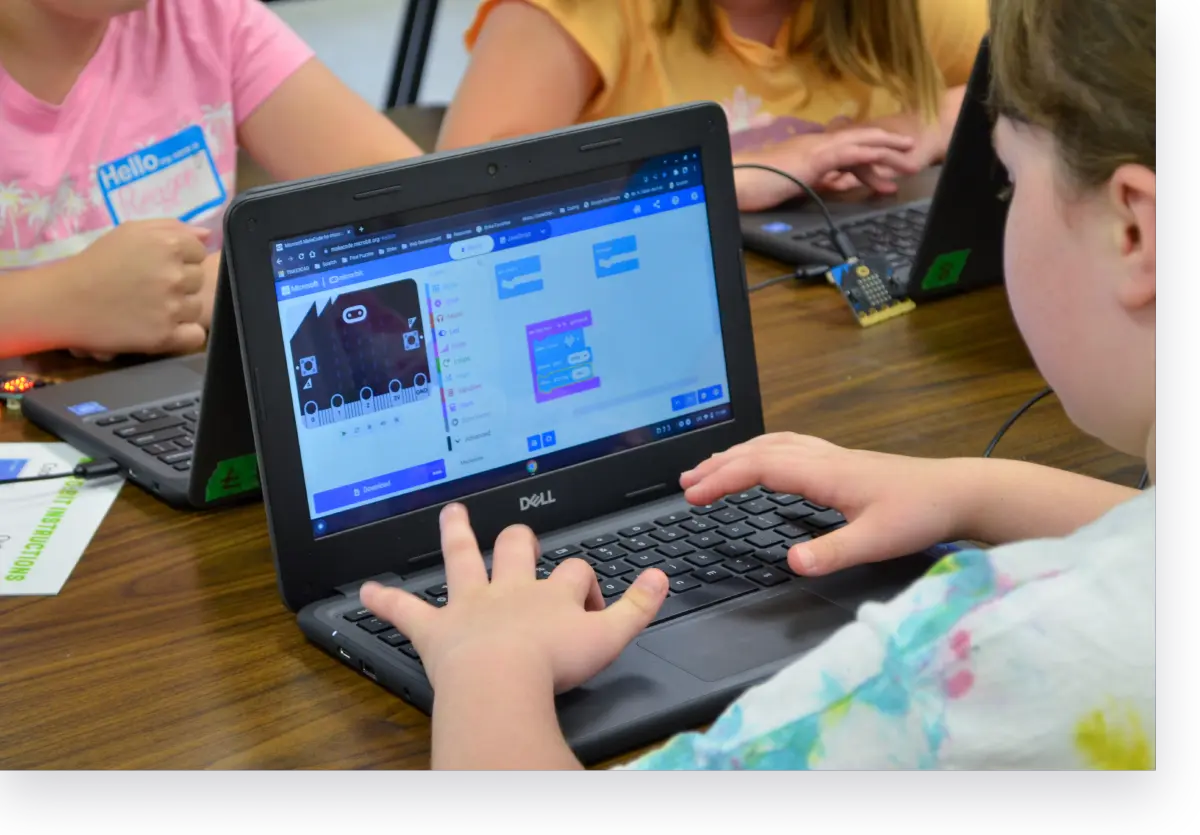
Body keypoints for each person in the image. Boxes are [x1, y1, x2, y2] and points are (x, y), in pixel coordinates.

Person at [361, 0, 1158, 770]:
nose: (1003, 204)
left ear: (1135, 231)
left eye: (1008, 181)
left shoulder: (962, 673)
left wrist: (488, 669)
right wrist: (973, 491)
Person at [0, 0, 422, 360]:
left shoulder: (202, 18)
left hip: (169, 397)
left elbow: (413, 202)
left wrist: (204, 287)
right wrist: (66, 302)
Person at [438, 0, 989, 211]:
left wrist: (926, 122)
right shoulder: (573, 13)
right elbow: (455, 198)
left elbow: (1025, 81)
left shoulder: (895, 10)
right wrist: (719, 177)